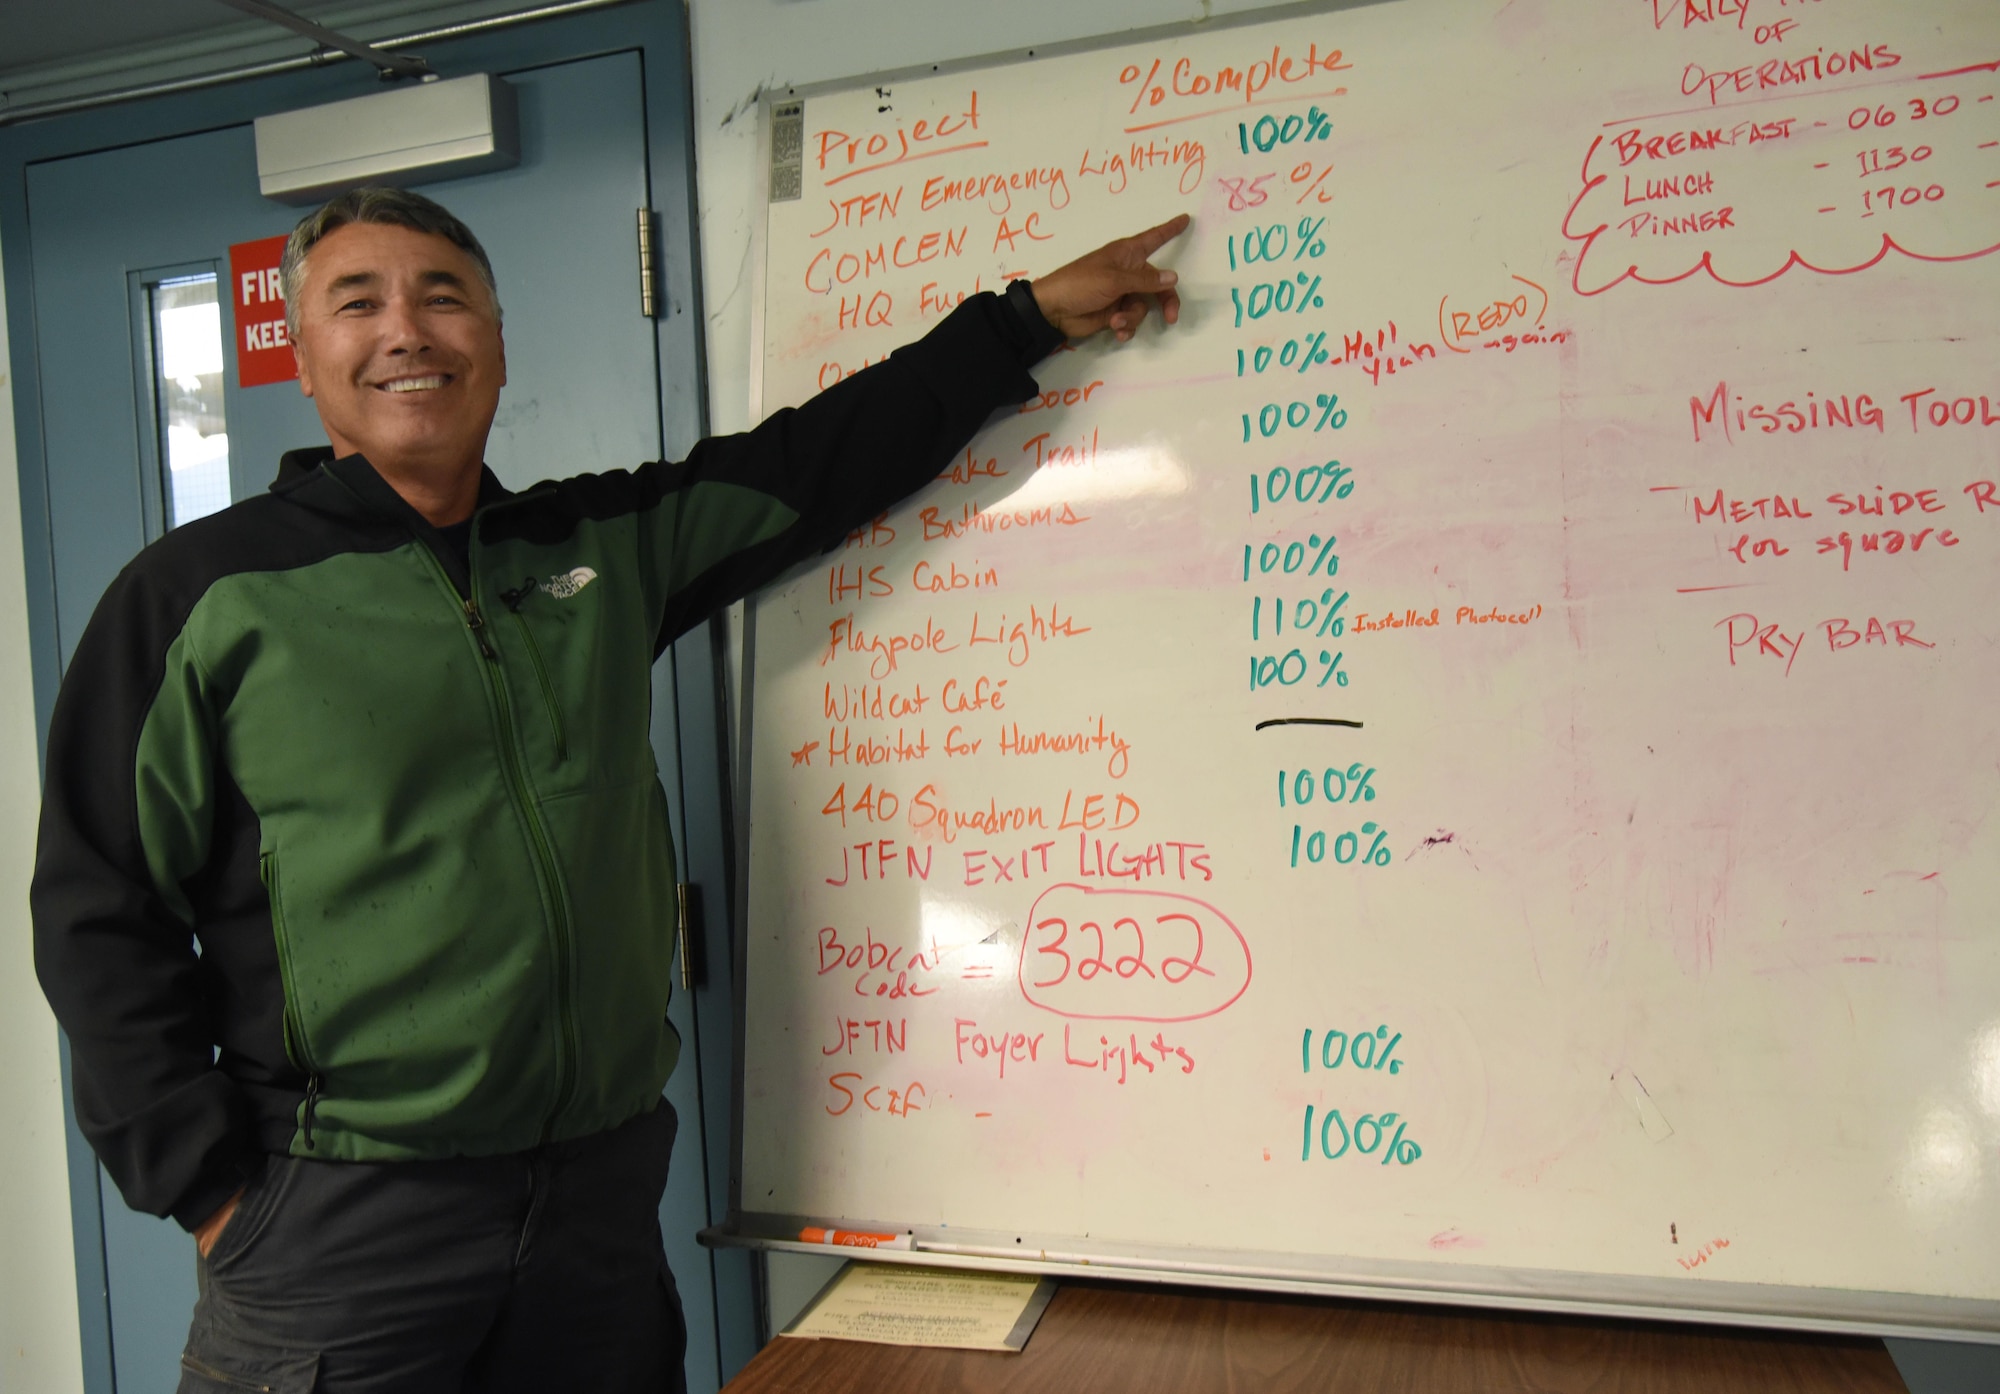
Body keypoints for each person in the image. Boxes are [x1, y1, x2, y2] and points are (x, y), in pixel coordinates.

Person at [31, 183, 1186, 1393]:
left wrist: (1023, 322)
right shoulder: (198, 596)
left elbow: (813, 464)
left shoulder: (595, 544)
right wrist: (207, 1187)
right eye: (356, 301)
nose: (407, 331)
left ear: (494, 341)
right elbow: (97, 907)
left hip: (595, 1204)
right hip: (337, 1218)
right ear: (307, 363)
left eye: (444, 296)